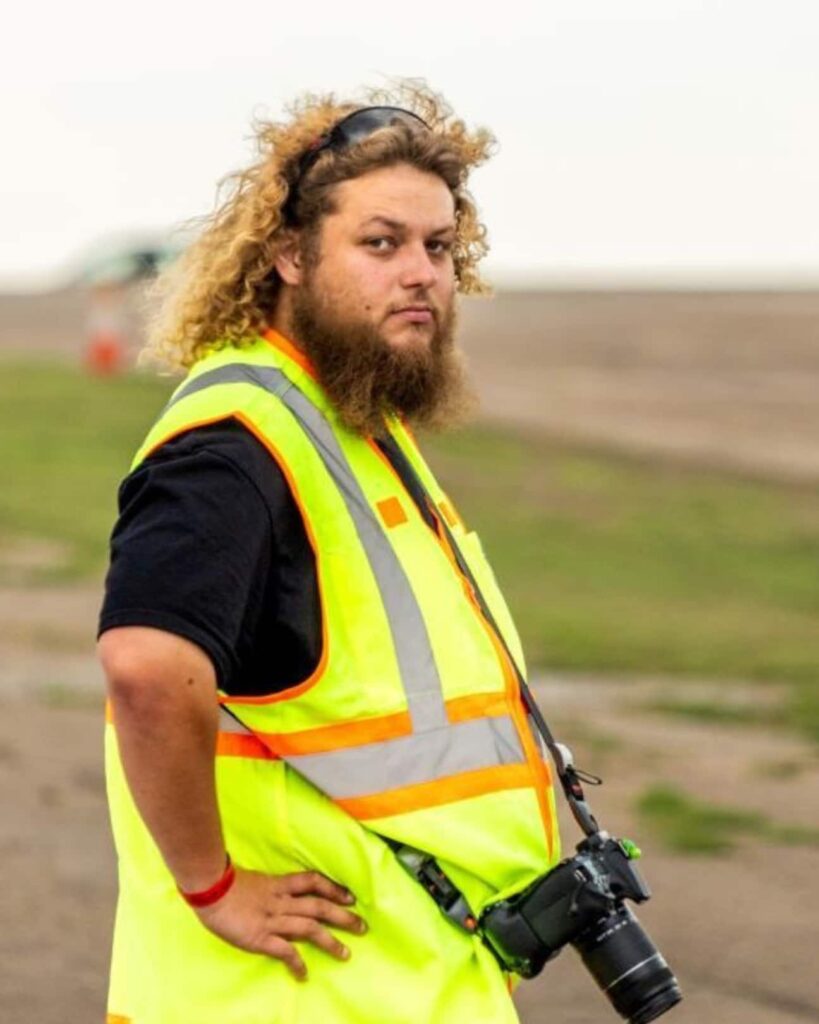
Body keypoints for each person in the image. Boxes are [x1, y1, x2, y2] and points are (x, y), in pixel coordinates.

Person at [98, 82, 562, 1024]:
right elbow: (146, 667)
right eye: (380, 243)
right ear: (290, 257)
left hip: (401, 974)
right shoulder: (238, 437)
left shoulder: (351, 424)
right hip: (297, 993)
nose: (421, 273)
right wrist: (212, 888)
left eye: (438, 247)